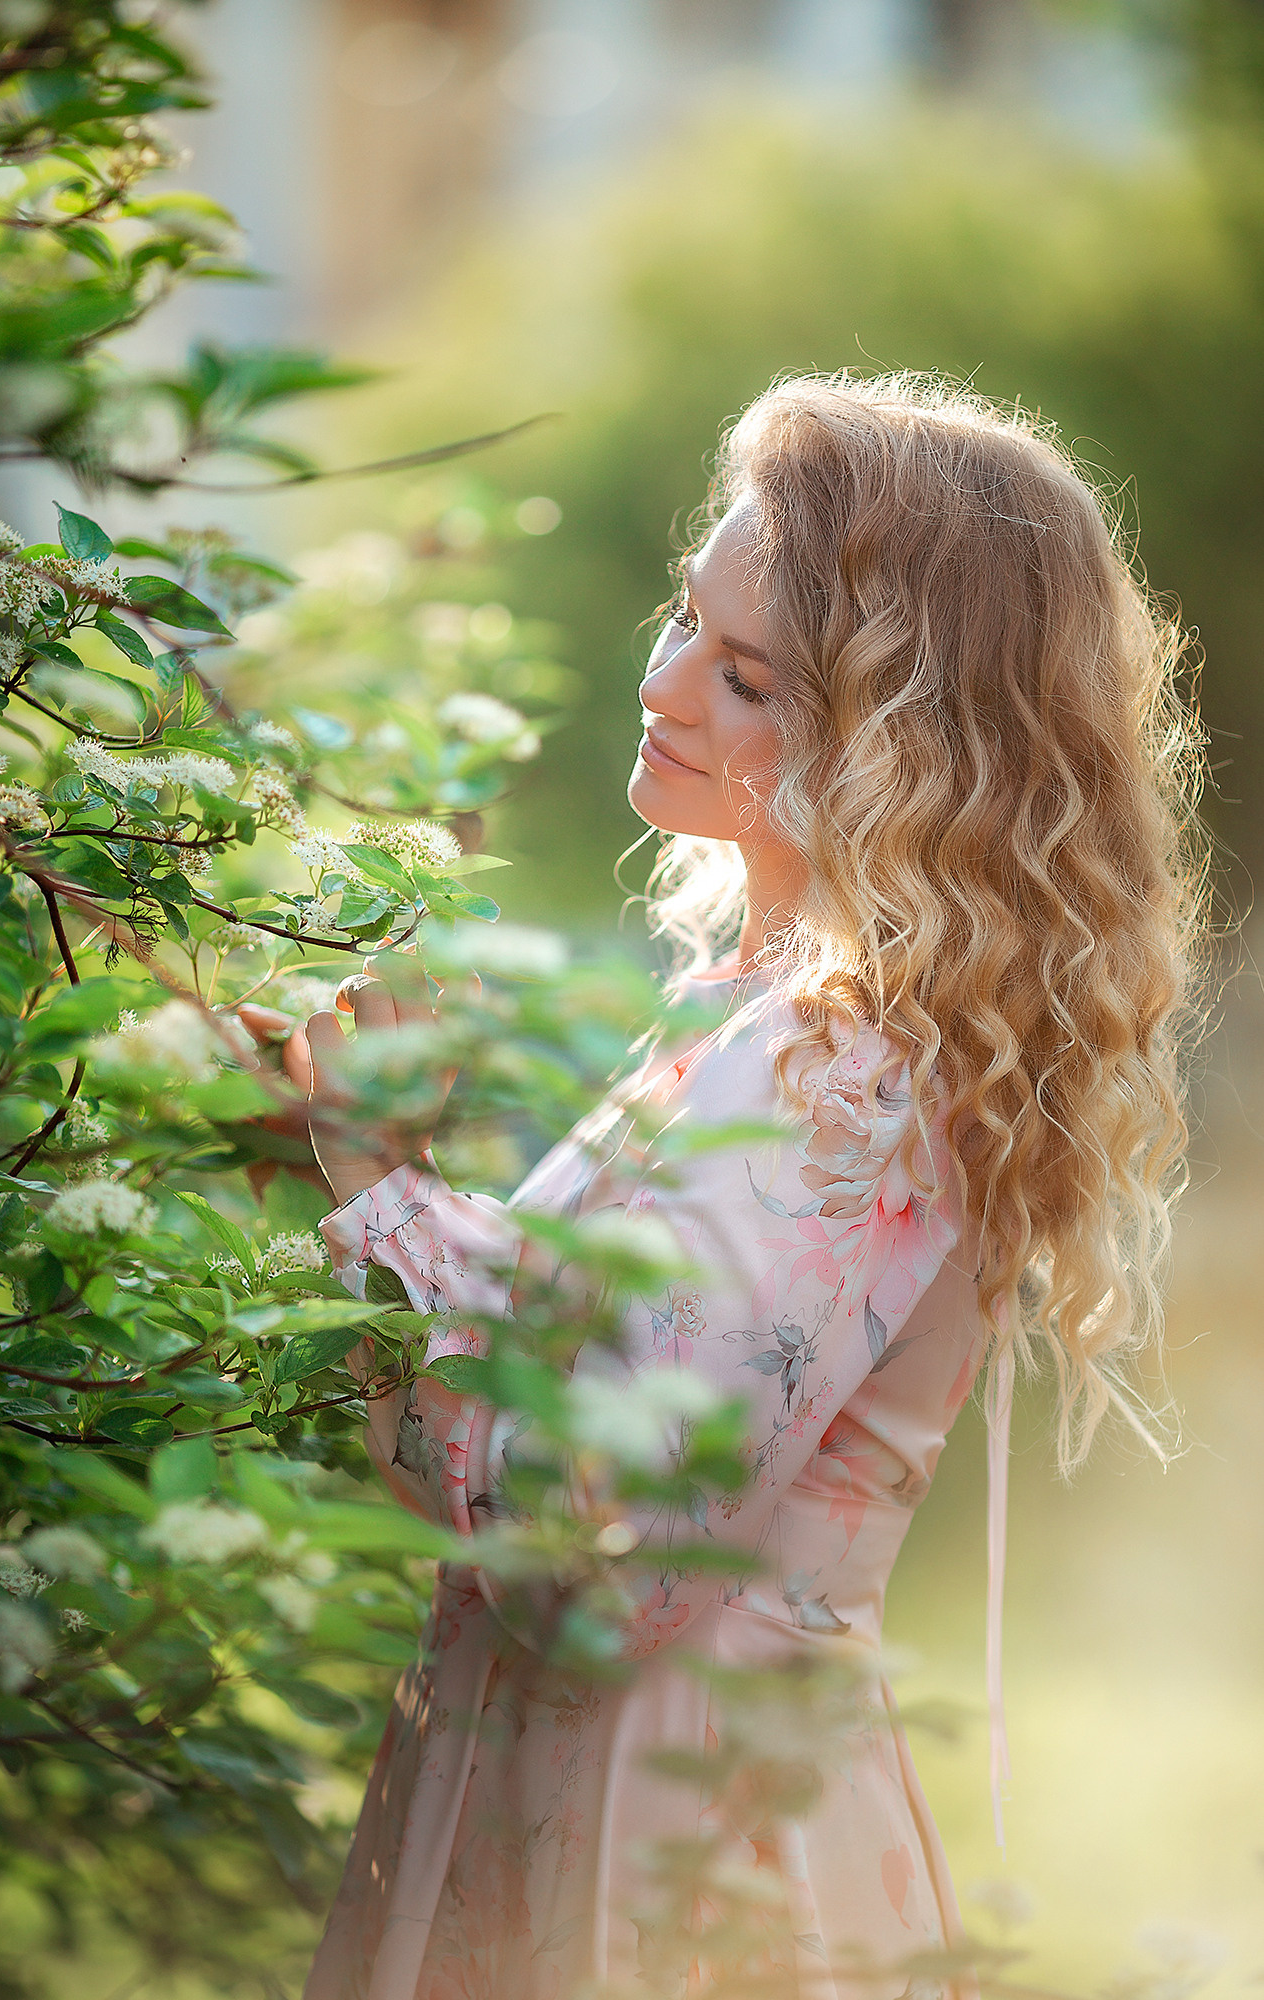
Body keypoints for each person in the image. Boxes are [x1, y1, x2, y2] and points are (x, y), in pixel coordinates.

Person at [293, 374, 1206, 2000]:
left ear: (902, 753)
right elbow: (612, 1352)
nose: (662, 687)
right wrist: (354, 1157)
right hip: (582, 1776)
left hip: (674, 1836)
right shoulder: (760, 1007)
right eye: (682, 625)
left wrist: (379, 1192)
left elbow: (600, 1541)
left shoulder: (850, 1066)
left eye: (746, 676)